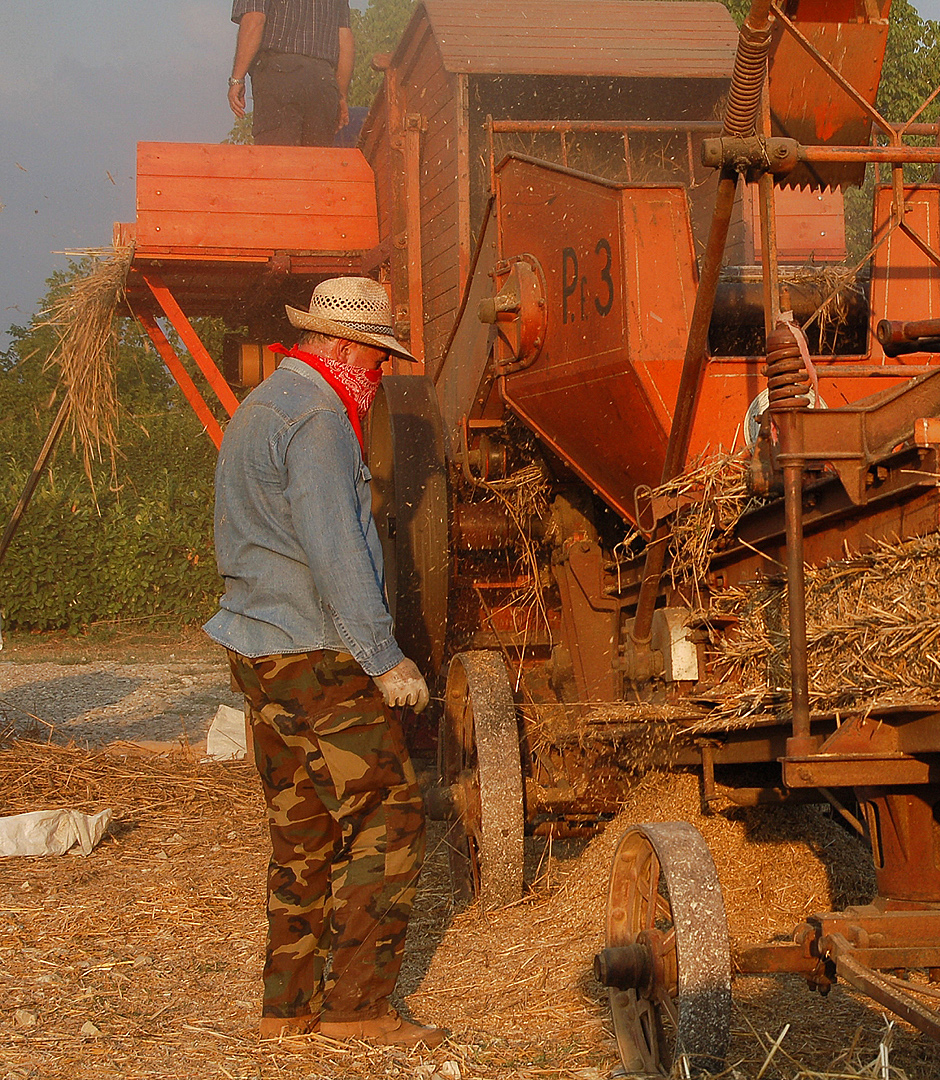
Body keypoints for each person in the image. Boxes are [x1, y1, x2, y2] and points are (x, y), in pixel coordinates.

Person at [206, 276, 445, 1047]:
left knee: (300, 827)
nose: (377, 377)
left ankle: (288, 1007)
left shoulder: (260, 408)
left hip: (259, 648)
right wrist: (385, 659)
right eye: (376, 361)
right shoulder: (317, 418)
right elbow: (334, 545)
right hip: (317, 652)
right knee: (388, 814)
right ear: (345, 348)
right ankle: (360, 1009)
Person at [229, 0, 354, 147]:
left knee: (277, 162)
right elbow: (345, 37)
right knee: (316, 163)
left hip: (279, 77)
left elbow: (254, 20)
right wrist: (341, 96)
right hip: (324, 81)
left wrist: (237, 79)